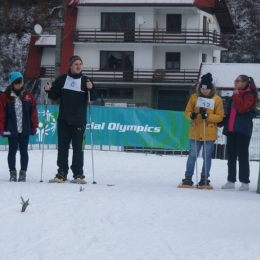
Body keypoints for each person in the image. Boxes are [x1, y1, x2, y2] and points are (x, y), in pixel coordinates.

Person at [44, 55, 97, 183]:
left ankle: (78, 173)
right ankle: (62, 172)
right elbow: (54, 96)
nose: (78, 66)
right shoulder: (62, 80)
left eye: (80, 64)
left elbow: (93, 97)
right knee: (62, 147)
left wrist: (91, 88)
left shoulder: (86, 80)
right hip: (64, 120)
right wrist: (48, 90)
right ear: (70, 66)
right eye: (76, 64)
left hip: (78, 121)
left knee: (78, 148)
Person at [178, 73, 224, 189]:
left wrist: (208, 116)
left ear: (211, 88)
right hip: (195, 131)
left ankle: (205, 178)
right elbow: (187, 112)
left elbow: (219, 116)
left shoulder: (217, 100)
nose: (205, 91)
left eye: (207, 89)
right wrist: (191, 115)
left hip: (209, 133)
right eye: (203, 88)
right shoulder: (194, 98)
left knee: (207, 156)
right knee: (192, 155)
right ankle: (188, 177)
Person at [222, 75, 259, 191]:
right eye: (235, 80)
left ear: (244, 83)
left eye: (237, 81)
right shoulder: (235, 95)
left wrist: (236, 95)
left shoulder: (250, 96)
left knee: (242, 156)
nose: (235, 83)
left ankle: (245, 181)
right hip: (231, 129)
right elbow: (230, 112)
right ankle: (231, 180)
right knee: (231, 156)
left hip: (242, 130)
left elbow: (242, 109)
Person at [0, 72, 38, 182]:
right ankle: (12, 172)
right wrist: (1, 128)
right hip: (11, 129)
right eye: (16, 83)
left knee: (24, 151)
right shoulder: (5, 97)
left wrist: (34, 125)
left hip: (25, 128)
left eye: (20, 83)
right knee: (12, 151)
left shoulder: (28, 95)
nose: (19, 85)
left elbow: (33, 111)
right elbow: (1, 113)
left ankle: (23, 173)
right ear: (12, 83)